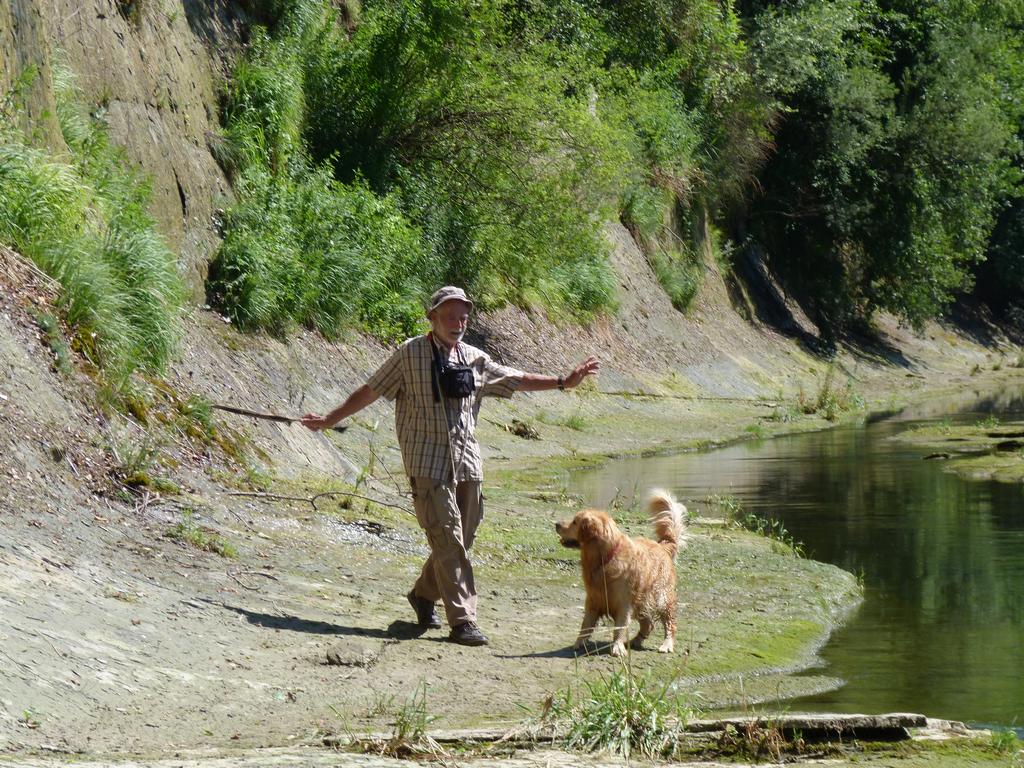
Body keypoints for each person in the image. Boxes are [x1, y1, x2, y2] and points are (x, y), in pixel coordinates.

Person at [301, 286, 600, 646]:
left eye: (463, 317)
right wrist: (330, 419)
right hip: (426, 462)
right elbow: (371, 390)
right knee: (446, 536)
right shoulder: (409, 353)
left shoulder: (474, 358)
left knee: (462, 537)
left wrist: (563, 382)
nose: (458, 323)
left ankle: (423, 594)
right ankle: (462, 621)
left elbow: (516, 379)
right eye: (450, 317)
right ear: (433, 318)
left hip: (467, 462)